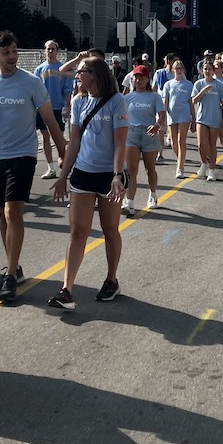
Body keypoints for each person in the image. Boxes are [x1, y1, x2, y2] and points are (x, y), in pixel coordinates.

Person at [0, 31, 67, 303]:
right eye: (6, 53)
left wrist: (63, 154)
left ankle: (10, 275)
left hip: (23, 155)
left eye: (15, 51)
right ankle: (15, 264)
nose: (12, 57)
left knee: (13, 211)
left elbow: (50, 120)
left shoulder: (32, 83)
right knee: (2, 215)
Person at [47, 57, 129, 310]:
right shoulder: (78, 101)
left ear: (94, 74)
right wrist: (63, 176)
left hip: (108, 174)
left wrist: (117, 175)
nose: (76, 75)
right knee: (78, 231)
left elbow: (119, 143)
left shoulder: (117, 101)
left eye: (80, 72)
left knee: (109, 229)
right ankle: (67, 290)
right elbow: (74, 142)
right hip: (83, 172)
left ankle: (111, 279)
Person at [121, 65, 165, 215]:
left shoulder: (154, 96)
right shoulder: (127, 98)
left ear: (147, 79)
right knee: (131, 169)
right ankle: (130, 203)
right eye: (136, 77)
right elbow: (121, 116)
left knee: (150, 168)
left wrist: (157, 125)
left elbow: (162, 114)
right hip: (132, 134)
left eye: (141, 77)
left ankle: (153, 194)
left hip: (149, 134)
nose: (138, 80)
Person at [34, 40, 74, 180]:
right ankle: (50, 168)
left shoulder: (62, 68)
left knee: (59, 138)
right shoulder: (39, 69)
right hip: (43, 108)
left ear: (57, 51)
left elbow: (68, 89)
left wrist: (68, 107)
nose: (50, 51)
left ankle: (64, 165)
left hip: (57, 107)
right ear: (44, 51)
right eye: (48, 49)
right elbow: (35, 90)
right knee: (45, 137)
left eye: (53, 49)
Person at [191, 60, 223, 181]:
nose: (207, 71)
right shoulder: (198, 84)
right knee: (201, 144)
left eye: (209, 69)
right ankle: (203, 163)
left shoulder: (219, 85)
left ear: (213, 71)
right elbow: (194, 101)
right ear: (202, 71)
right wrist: (203, 91)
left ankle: (212, 169)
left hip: (215, 118)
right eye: (205, 69)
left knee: (212, 145)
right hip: (202, 118)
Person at [162, 60, 195, 178]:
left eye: (181, 68)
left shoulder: (188, 84)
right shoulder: (168, 84)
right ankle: (180, 159)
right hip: (172, 116)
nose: (179, 70)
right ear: (173, 70)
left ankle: (180, 167)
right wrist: (163, 118)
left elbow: (191, 103)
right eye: (177, 68)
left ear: (183, 70)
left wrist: (194, 119)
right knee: (173, 142)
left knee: (181, 141)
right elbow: (165, 102)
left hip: (184, 116)